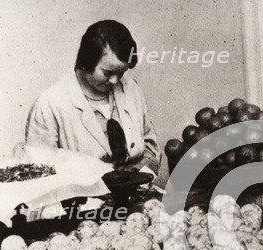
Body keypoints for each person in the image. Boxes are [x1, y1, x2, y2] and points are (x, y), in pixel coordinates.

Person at [26, 20, 161, 172]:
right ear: (86, 61)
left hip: (137, 189)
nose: (115, 81)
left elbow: (151, 149)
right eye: (108, 73)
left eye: (121, 73)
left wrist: (136, 175)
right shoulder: (51, 103)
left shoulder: (131, 88)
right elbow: (39, 168)